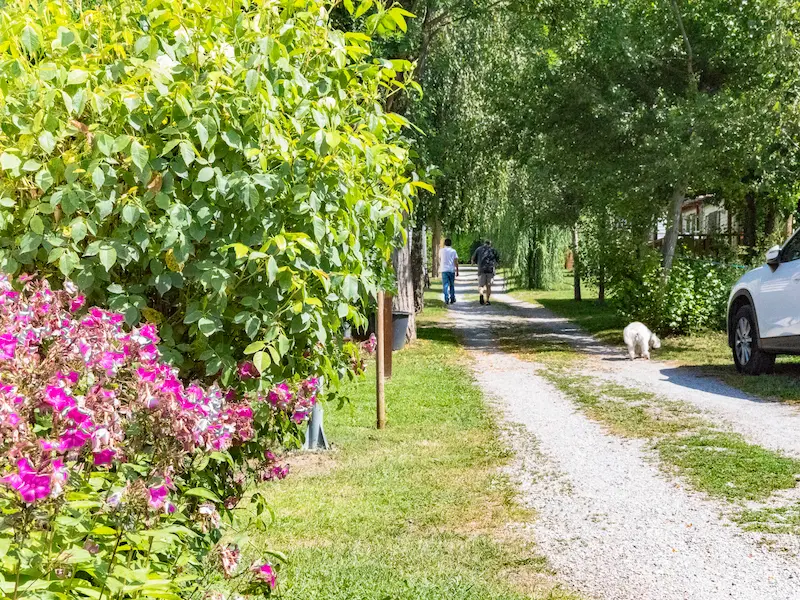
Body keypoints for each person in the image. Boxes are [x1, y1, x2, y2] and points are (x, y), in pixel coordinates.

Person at [471, 240, 499, 305]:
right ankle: (487, 301)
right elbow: (497, 260)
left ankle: (481, 294)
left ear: (484, 243)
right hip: (490, 269)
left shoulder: (479, 249)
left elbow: (473, 258)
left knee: (481, 285)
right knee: (488, 286)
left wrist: (473, 263)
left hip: (481, 270)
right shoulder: (493, 250)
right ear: (490, 244)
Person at [439, 238, 459, 304]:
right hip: (451, 270)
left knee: (445, 285)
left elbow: (439, 259)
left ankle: (446, 298)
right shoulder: (453, 251)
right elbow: (456, 261)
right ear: (451, 244)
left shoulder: (441, 251)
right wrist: (457, 270)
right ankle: (452, 298)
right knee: (452, 285)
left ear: (444, 243)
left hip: (444, 269)